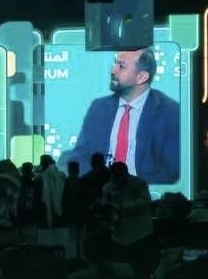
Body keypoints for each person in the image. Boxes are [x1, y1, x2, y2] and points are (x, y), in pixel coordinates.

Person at [62, 48, 180, 184]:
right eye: (115, 63)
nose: (113, 70)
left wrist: (126, 186)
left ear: (142, 77)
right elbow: (81, 154)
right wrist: (96, 183)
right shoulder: (98, 107)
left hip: (139, 191)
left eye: (121, 66)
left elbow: (169, 171)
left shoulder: (170, 112)